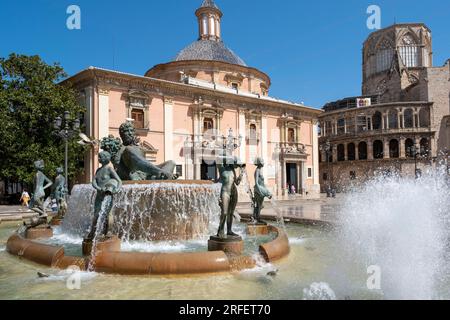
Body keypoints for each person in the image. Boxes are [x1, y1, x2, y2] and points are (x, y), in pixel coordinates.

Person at [86, 151, 122, 240]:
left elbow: (119, 181)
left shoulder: (110, 169)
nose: (98, 159)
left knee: (108, 213)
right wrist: (98, 188)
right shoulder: (98, 170)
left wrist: (117, 189)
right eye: (98, 157)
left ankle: (108, 231)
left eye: (100, 157)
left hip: (107, 195)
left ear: (106, 158)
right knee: (96, 214)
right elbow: (94, 181)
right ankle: (93, 231)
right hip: (99, 195)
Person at [216, 150, 244, 239]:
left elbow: (237, 182)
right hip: (225, 192)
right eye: (235, 164)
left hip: (234, 192)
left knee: (230, 213)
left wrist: (241, 175)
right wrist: (230, 158)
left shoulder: (232, 170)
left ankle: (229, 230)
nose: (236, 166)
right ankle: (220, 230)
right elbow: (218, 159)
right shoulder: (221, 168)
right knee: (224, 212)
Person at [252, 157, 273, 223]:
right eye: (262, 162)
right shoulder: (257, 170)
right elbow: (256, 182)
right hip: (259, 189)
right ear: (259, 163)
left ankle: (255, 216)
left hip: (261, 188)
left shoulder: (259, 170)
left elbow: (262, 182)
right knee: (260, 205)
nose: (263, 163)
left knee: (260, 205)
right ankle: (257, 218)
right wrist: (260, 191)